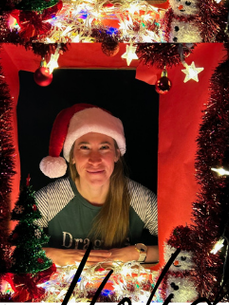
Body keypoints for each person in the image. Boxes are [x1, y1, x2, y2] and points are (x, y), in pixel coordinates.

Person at [35, 104, 158, 267]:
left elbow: (184, 248)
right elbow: (10, 249)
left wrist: (135, 253)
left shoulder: (139, 198)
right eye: (84, 147)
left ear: (116, 154)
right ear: (72, 156)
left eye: (104, 147)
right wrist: (53, 255)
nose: (95, 159)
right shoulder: (50, 199)